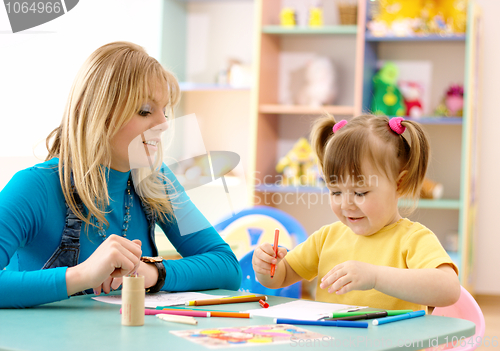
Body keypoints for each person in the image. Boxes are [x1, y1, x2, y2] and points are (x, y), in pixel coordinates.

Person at [0, 41, 242, 308]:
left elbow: (227, 266)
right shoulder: (34, 187)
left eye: (165, 111)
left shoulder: (156, 180)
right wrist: (81, 276)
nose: (163, 124)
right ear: (92, 111)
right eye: (145, 111)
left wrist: (152, 273)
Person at [253, 114, 460, 311]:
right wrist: (267, 268)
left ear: (400, 184)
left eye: (360, 192)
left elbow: (449, 289)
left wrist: (375, 277)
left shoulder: (412, 239)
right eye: (335, 191)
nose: (346, 204)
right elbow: (281, 277)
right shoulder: (327, 238)